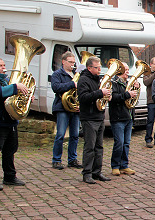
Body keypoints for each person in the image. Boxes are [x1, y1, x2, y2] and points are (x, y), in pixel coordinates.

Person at [0, 58, 27, 190]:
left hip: (10, 121)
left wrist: (25, 94)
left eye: (3, 65)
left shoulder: (8, 80)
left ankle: (9, 176)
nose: (3, 67)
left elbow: (14, 96)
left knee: (10, 150)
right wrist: (15, 87)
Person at [77, 56, 111, 184]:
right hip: (89, 117)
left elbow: (100, 95)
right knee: (89, 147)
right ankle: (87, 173)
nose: (99, 70)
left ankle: (97, 172)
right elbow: (83, 97)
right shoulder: (83, 80)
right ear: (89, 68)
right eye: (96, 68)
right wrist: (100, 92)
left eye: (99, 67)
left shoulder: (98, 80)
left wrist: (106, 94)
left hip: (99, 116)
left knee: (99, 147)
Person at [50, 51, 82, 170]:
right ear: (63, 62)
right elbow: (56, 87)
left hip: (75, 108)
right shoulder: (57, 74)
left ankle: (72, 159)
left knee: (75, 135)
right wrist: (72, 84)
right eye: (70, 62)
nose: (72, 64)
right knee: (60, 134)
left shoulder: (76, 74)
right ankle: (56, 160)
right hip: (62, 107)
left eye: (74, 62)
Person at [109, 62, 139, 176]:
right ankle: (115, 166)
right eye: (125, 69)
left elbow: (132, 100)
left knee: (126, 143)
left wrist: (135, 90)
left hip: (128, 116)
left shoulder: (129, 83)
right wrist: (128, 94)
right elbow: (113, 97)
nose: (127, 71)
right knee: (119, 142)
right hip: (118, 117)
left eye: (127, 69)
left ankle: (124, 165)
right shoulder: (113, 83)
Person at [143, 57, 155, 148]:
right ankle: (148, 139)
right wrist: (154, 75)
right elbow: (146, 82)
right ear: (151, 64)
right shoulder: (147, 73)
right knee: (150, 120)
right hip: (151, 100)